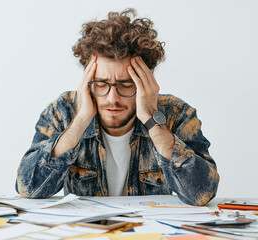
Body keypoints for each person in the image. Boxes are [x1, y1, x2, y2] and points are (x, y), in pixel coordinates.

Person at [15, 9, 219, 206]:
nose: (112, 98)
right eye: (101, 84)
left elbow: (201, 194)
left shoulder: (177, 114)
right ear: (87, 81)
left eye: (127, 85)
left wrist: (152, 120)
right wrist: (80, 121)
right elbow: (29, 189)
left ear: (146, 82)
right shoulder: (62, 111)